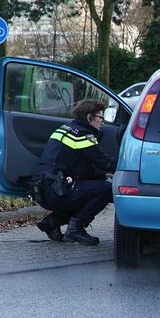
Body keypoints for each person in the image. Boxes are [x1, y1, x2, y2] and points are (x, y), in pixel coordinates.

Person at [29, 99, 115, 245]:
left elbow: (83, 168)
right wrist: (131, 164)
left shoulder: (66, 128)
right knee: (106, 189)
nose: (103, 122)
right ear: (89, 117)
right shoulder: (82, 135)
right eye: (100, 118)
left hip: (44, 190)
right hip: (57, 191)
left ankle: (52, 222)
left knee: (87, 190)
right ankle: (76, 229)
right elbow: (105, 163)